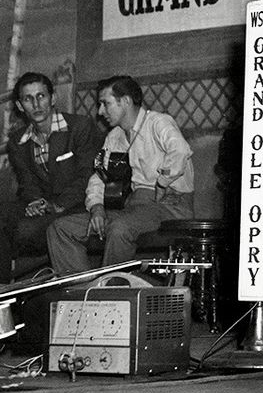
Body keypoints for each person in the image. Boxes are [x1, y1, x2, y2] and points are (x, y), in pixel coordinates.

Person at [47, 75, 195, 274]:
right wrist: (97, 207)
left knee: (120, 228)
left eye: (105, 104)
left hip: (170, 206)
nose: (100, 112)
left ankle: (109, 292)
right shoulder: (114, 136)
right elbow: (98, 176)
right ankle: (84, 291)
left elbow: (180, 150)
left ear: (125, 101)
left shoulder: (158, 122)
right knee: (60, 228)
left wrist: (162, 182)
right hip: (133, 209)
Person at [1, 72, 102, 282]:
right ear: (20, 106)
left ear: (53, 98)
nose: (36, 104)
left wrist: (57, 205)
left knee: (25, 231)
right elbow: (27, 182)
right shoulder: (18, 141)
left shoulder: (79, 127)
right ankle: (3, 293)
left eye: (41, 96)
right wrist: (35, 202)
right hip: (44, 206)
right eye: (28, 99)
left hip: (76, 205)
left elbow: (87, 174)